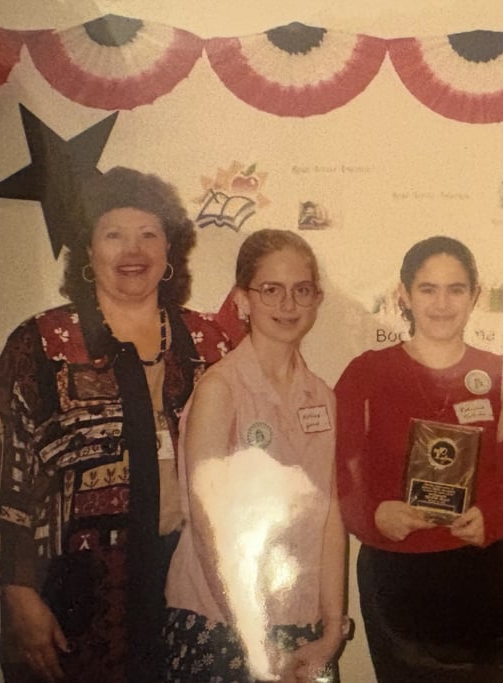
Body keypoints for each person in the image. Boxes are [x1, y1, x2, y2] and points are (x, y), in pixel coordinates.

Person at [0, 167, 230, 682]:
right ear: (88, 253)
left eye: (148, 234)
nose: (132, 250)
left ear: (169, 251)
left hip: (187, 582)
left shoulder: (209, 342)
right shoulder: (41, 344)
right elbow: (0, 473)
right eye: (113, 234)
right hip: (71, 593)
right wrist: (19, 594)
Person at [335, 236, 503, 681]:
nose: (442, 303)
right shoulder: (365, 373)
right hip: (398, 575)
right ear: (403, 295)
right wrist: (373, 516)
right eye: (428, 289)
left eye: (456, 289)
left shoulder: (502, 374)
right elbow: (342, 477)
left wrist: (495, 518)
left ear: (475, 296)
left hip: (487, 570)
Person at [163, 229, 348, 682]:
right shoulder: (220, 390)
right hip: (222, 623)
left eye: (301, 290)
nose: (288, 305)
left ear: (316, 300)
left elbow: (330, 516)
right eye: (271, 290)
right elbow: (210, 529)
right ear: (242, 299)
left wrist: (332, 628)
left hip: (304, 627)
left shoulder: (322, 397)